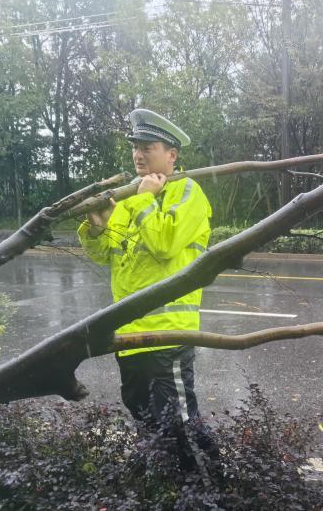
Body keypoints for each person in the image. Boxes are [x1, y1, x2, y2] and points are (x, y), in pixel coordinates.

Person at [78, 108, 217, 469]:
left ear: (172, 155)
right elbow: (107, 255)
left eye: (148, 146)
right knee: (143, 416)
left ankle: (208, 486)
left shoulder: (187, 191)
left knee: (182, 422)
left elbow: (165, 243)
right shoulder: (128, 198)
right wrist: (95, 230)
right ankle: (165, 482)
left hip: (167, 337)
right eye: (135, 147)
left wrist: (143, 199)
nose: (139, 154)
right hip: (128, 334)